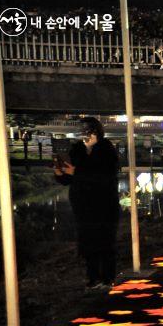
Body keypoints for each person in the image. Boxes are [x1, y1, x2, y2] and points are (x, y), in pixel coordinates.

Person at [53, 117, 120, 290]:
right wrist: (60, 174)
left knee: (105, 241)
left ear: (95, 132)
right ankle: (92, 278)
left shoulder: (106, 150)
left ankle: (107, 278)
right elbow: (69, 179)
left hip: (104, 204)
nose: (83, 134)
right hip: (83, 205)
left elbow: (105, 177)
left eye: (86, 130)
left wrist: (77, 171)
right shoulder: (76, 150)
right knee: (87, 242)